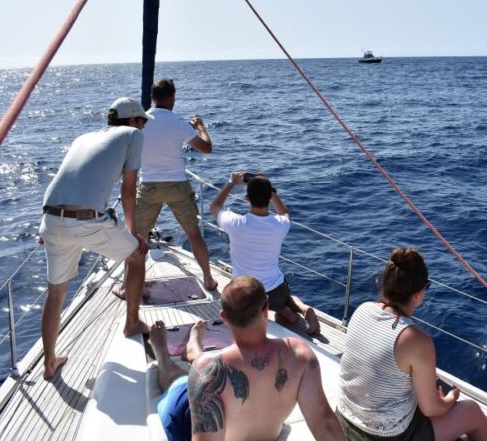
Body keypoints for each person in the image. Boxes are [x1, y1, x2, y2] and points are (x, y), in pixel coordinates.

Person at [337, 247, 487, 441]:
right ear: (418, 294)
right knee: (471, 411)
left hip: (345, 423)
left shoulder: (363, 309)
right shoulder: (415, 339)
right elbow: (431, 409)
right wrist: (449, 400)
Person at [154, 276, 353, 441]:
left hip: (194, 438)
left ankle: (167, 355)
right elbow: (324, 424)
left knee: (179, 380)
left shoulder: (209, 369)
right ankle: (184, 352)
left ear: (224, 317)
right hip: (264, 437)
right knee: (201, 371)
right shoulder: (300, 354)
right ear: (266, 310)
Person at [39, 97, 152, 378]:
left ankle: (49, 362)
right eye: (142, 121)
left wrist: (47, 228)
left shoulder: (84, 137)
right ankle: (132, 323)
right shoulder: (133, 135)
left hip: (50, 218)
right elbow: (128, 191)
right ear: (133, 120)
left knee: (55, 294)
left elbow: (67, 179)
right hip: (86, 220)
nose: (144, 127)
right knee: (137, 255)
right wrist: (133, 234)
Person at [209, 172, 320, 335]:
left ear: (247, 198)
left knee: (247, 304)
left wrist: (231, 182)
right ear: (269, 198)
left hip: (247, 294)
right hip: (276, 290)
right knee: (285, 299)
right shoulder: (280, 225)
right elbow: (284, 213)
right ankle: (298, 308)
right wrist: (271, 192)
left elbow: (214, 207)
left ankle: (282, 311)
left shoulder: (235, 223)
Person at [132, 78, 217, 290]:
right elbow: (206, 148)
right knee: (193, 233)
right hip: (177, 185)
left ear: (152, 97)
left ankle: (128, 287)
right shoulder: (179, 123)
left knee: (139, 238)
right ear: (172, 97)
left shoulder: (140, 122)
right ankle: (208, 279)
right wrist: (200, 127)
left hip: (149, 185)